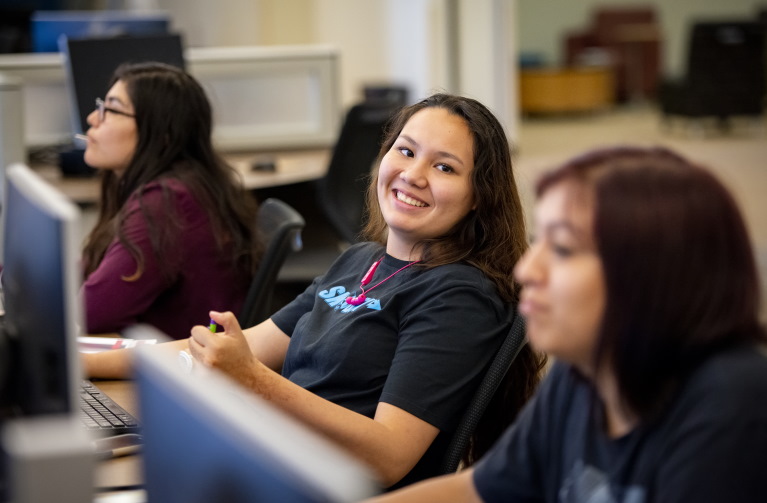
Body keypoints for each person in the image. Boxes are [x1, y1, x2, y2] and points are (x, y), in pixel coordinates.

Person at [84, 93, 547, 489]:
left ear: (479, 195)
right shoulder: (360, 260)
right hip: (270, 456)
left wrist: (253, 381)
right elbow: (241, 347)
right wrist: (81, 361)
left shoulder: (460, 297)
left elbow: (389, 456)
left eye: (444, 167)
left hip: (321, 485)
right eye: (405, 152)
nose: (414, 174)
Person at [366, 145, 767, 502]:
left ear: (649, 274)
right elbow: (476, 489)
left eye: (562, 248)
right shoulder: (584, 372)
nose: (526, 270)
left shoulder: (733, 404)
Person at [80, 62, 261, 340]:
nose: (93, 118)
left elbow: (89, 315)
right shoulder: (185, 185)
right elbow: (89, 271)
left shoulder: (166, 204)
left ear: (162, 133)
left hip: (175, 370)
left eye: (111, 110)